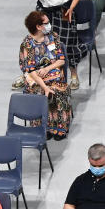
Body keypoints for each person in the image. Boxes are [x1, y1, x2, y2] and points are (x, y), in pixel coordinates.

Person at [18, 10, 72, 139]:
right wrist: (45, 87)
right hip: (36, 77)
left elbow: (61, 60)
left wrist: (48, 69)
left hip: (52, 72)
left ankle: (59, 128)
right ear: (38, 26)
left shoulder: (52, 36)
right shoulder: (27, 44)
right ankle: (43, 127)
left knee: (57, 90)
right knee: (39, 92)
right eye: (46, 23)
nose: (49, 25)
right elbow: (30, 70)